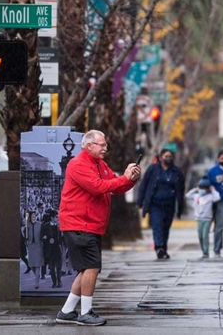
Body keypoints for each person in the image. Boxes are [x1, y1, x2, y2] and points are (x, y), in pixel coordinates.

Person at [56, 130, 141, 326]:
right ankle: (86, 313)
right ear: (89, 146)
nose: (105, 148)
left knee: (85, 269)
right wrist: (124, 177)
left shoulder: (100, 164)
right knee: (92, 267)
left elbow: (115, 187)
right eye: (101, 145)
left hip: (90, 224)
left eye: (105, 145)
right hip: (80, 223)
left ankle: (67, 311)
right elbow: (98, 187)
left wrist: (130, 178)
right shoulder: (78, 164)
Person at [137, 149, 186, 259]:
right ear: (160, 157)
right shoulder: (153, 169)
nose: (168, 158)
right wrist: (140, 201)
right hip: (155, 204)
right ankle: (158, 247)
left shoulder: (176, 171)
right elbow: (144, 184)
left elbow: (181, 189)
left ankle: (163, 247)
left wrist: (181, 205)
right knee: (157, 225)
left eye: (170, 156)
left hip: (169, 204)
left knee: (165, 227)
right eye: (166, 156)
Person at [186, 176, 220, 258]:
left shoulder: (210, 196)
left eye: (204, 188)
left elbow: (218, 197)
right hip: (199, 218)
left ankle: (206, 251)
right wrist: (195, 189)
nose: (202, 190)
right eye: (201, 188)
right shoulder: (196, 196)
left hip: (207, 219)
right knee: (200, 235)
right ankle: (203, 250)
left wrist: (213, 190)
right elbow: (187, 195)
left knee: (205, 235)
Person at [22, 210, 44, 289]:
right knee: (31, 265)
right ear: (30, 218)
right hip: (30, 246)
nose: (34, 218)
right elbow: (25, 235)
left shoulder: (40, 225)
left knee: (37, 265)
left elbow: (42, 234)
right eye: (32, 217)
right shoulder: (27, 226)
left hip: (38, 245)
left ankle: (36, 283)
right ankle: (37, 276)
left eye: (35, 216)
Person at [41, 210, 62, 288]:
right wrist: (45, 239)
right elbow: (42, 236)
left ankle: (59, 281)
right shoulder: (45, 226)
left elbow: (62, 237)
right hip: (50, 250)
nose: (57, 218)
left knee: (59, 267)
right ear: (52, 218)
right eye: (56, 217)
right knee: (52, 268)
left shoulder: (59, 227)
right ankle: (54, 282)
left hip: (58, 248)